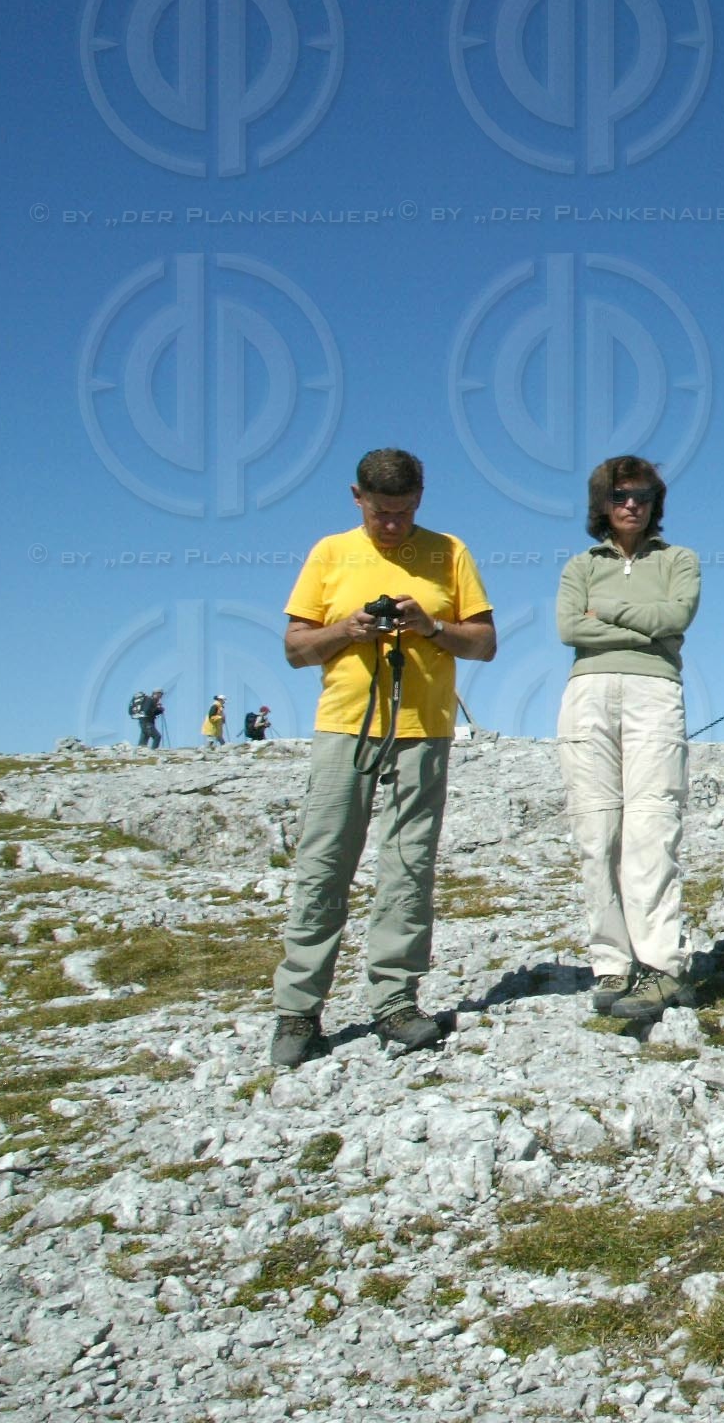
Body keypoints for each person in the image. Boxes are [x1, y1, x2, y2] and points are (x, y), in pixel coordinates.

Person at [270, 448, 495, 1069]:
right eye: (380, 513)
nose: (392, 525)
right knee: (324, 863)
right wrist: (345, 631)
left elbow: (484, 643)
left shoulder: (449, 552)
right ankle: (298, 1011)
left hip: (424, 729)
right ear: (356, 497)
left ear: (421, 498)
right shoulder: (328, 553)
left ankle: (395, 1001)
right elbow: (294, 648)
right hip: (346, 726)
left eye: (403, 512)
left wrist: (430, 627)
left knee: (408, 865)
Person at [555, 456, 701, 1022]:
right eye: (619, 495)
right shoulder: (579, 565)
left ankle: (661, 964)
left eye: (641, 495)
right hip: (587, 693)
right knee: (597, 830)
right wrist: (647, 620)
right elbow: (570, 627)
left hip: (654, 692)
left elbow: (678, 615)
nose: (631, 504)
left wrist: (609, 609)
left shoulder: (678, 560)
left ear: (655, 501)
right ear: (602, 503)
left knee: (652, 822)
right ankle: (611, 961)